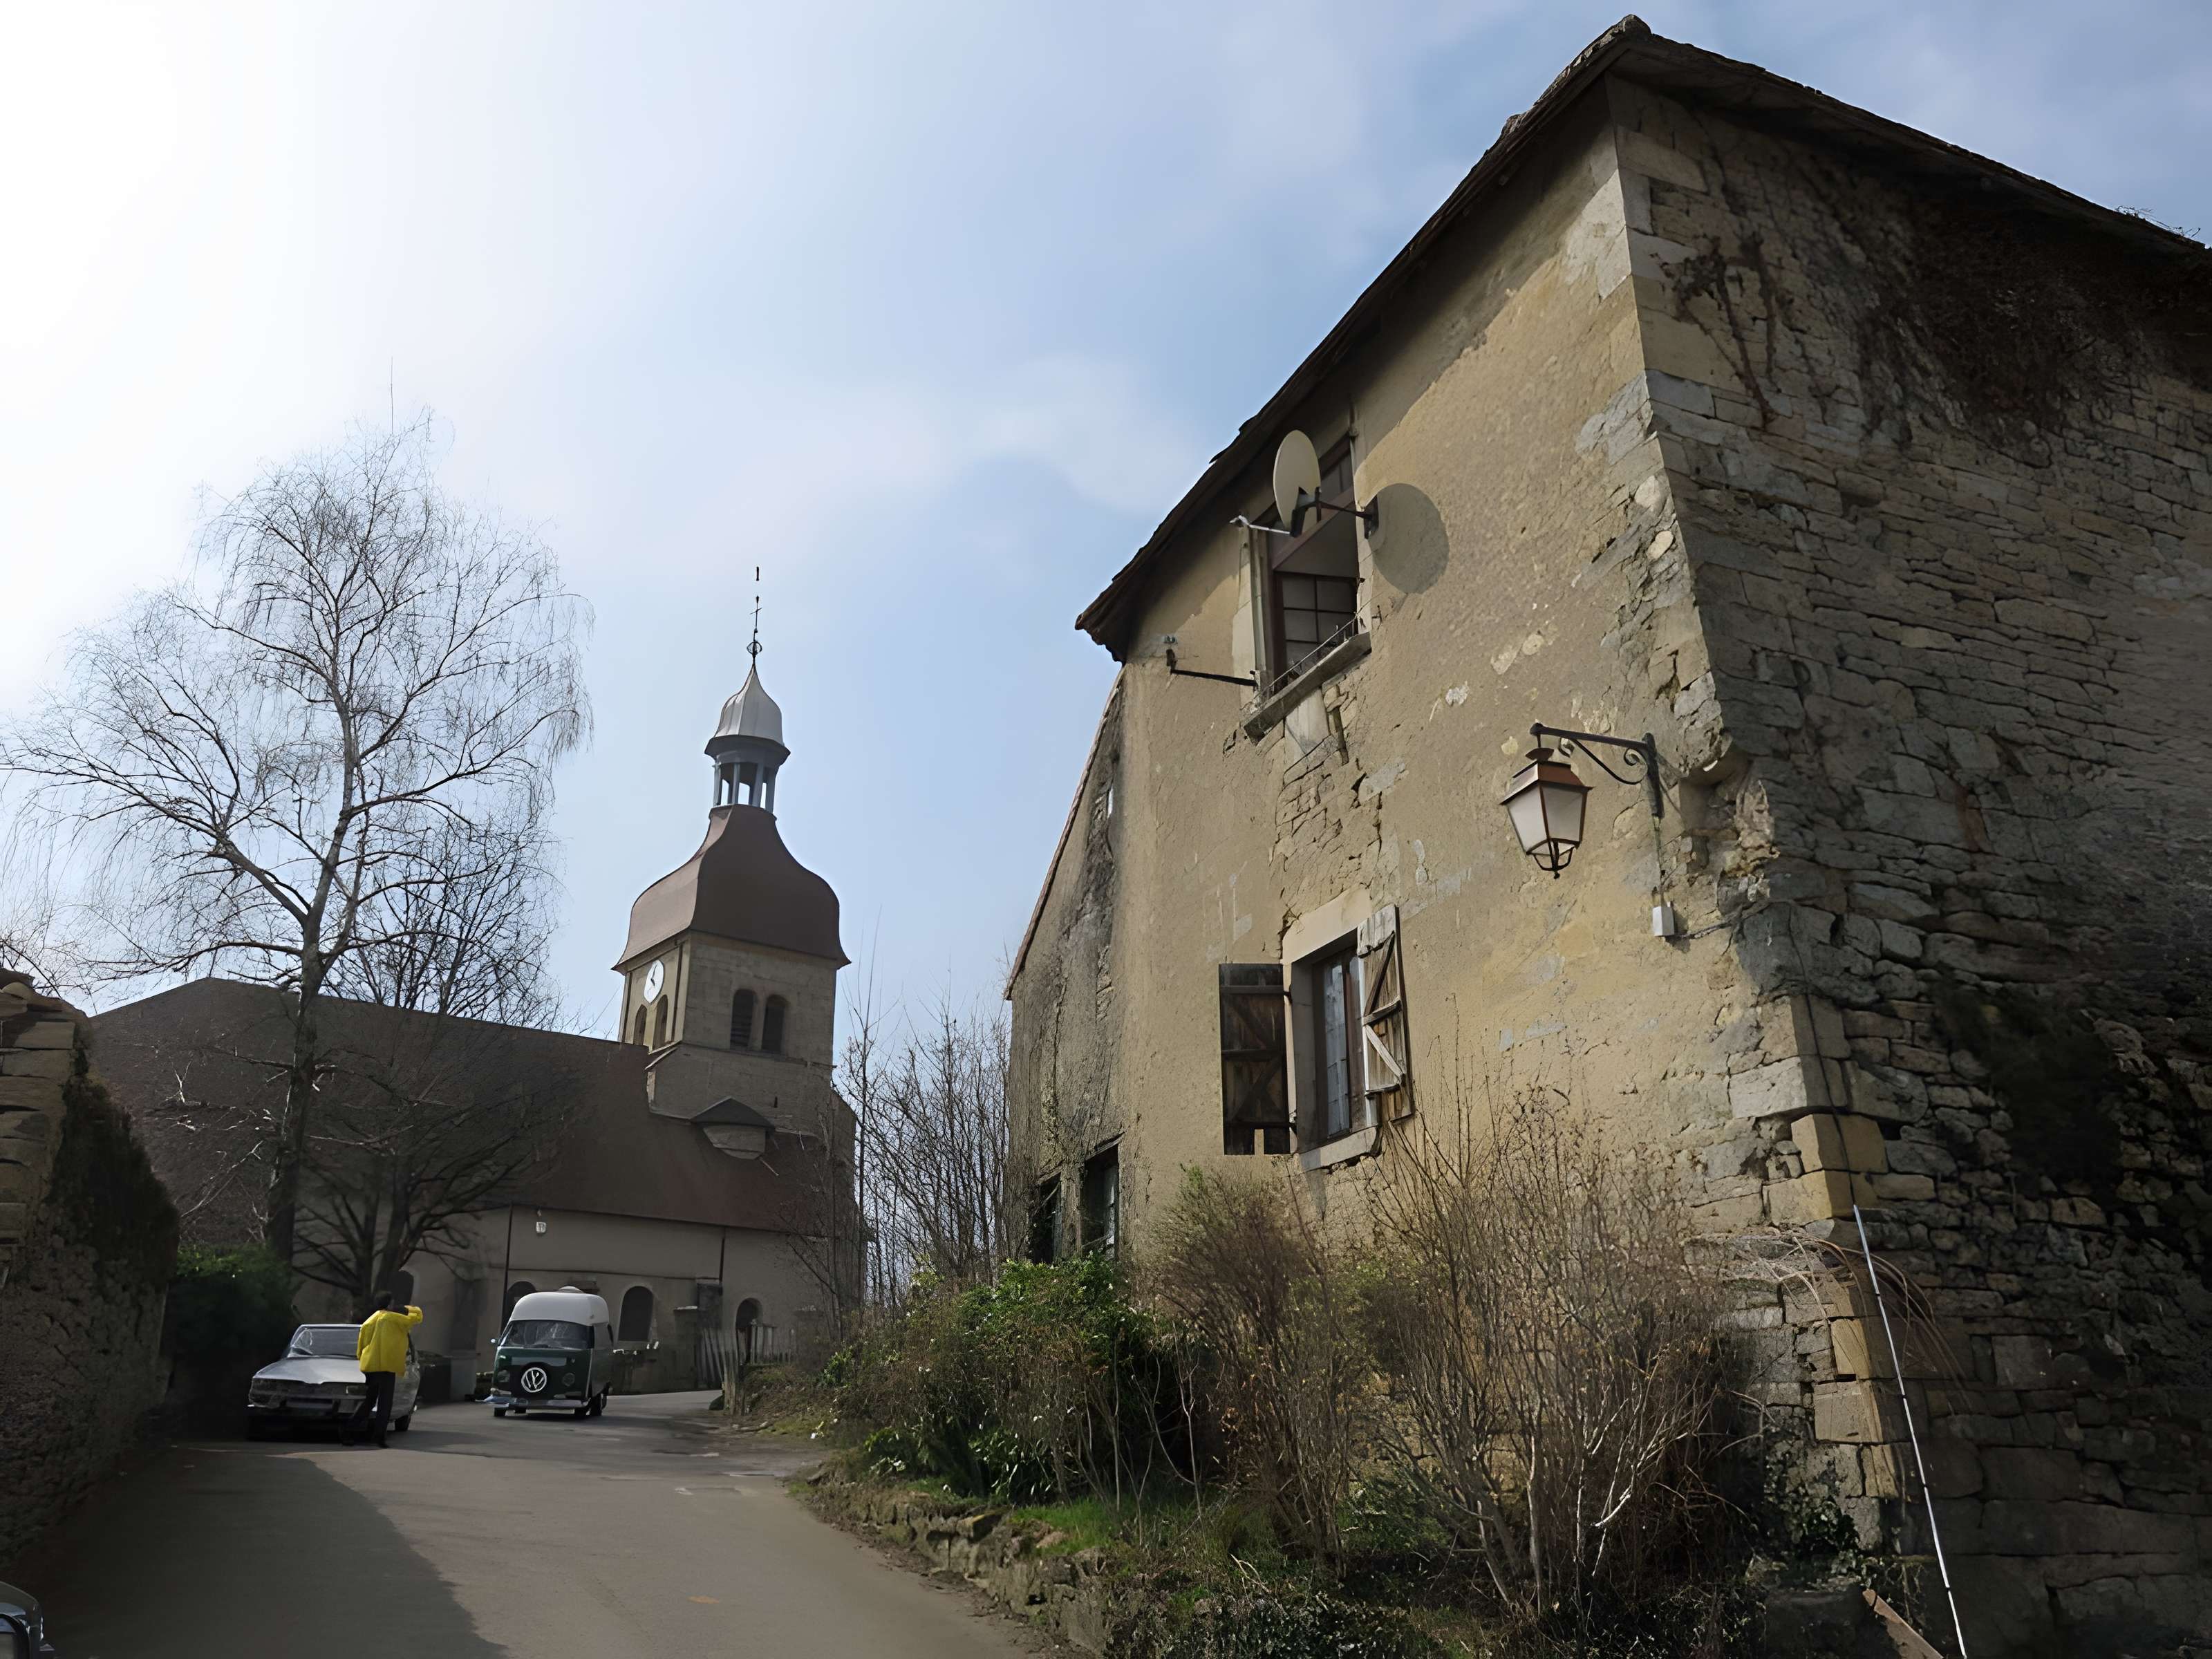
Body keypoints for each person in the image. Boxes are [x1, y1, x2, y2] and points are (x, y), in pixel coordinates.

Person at [353, 1291, 423, 1447]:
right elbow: (418, 1316)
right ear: (390, 1304)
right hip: (387, 1366)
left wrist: (362, 1360)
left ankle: (349, 1431)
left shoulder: (370, 1321)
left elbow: (361, 1346)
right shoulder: (395, 1319)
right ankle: (379, 1438)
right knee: (385, 1404)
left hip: (371, 1366)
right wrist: (407, 1307)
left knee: (369, 1401)